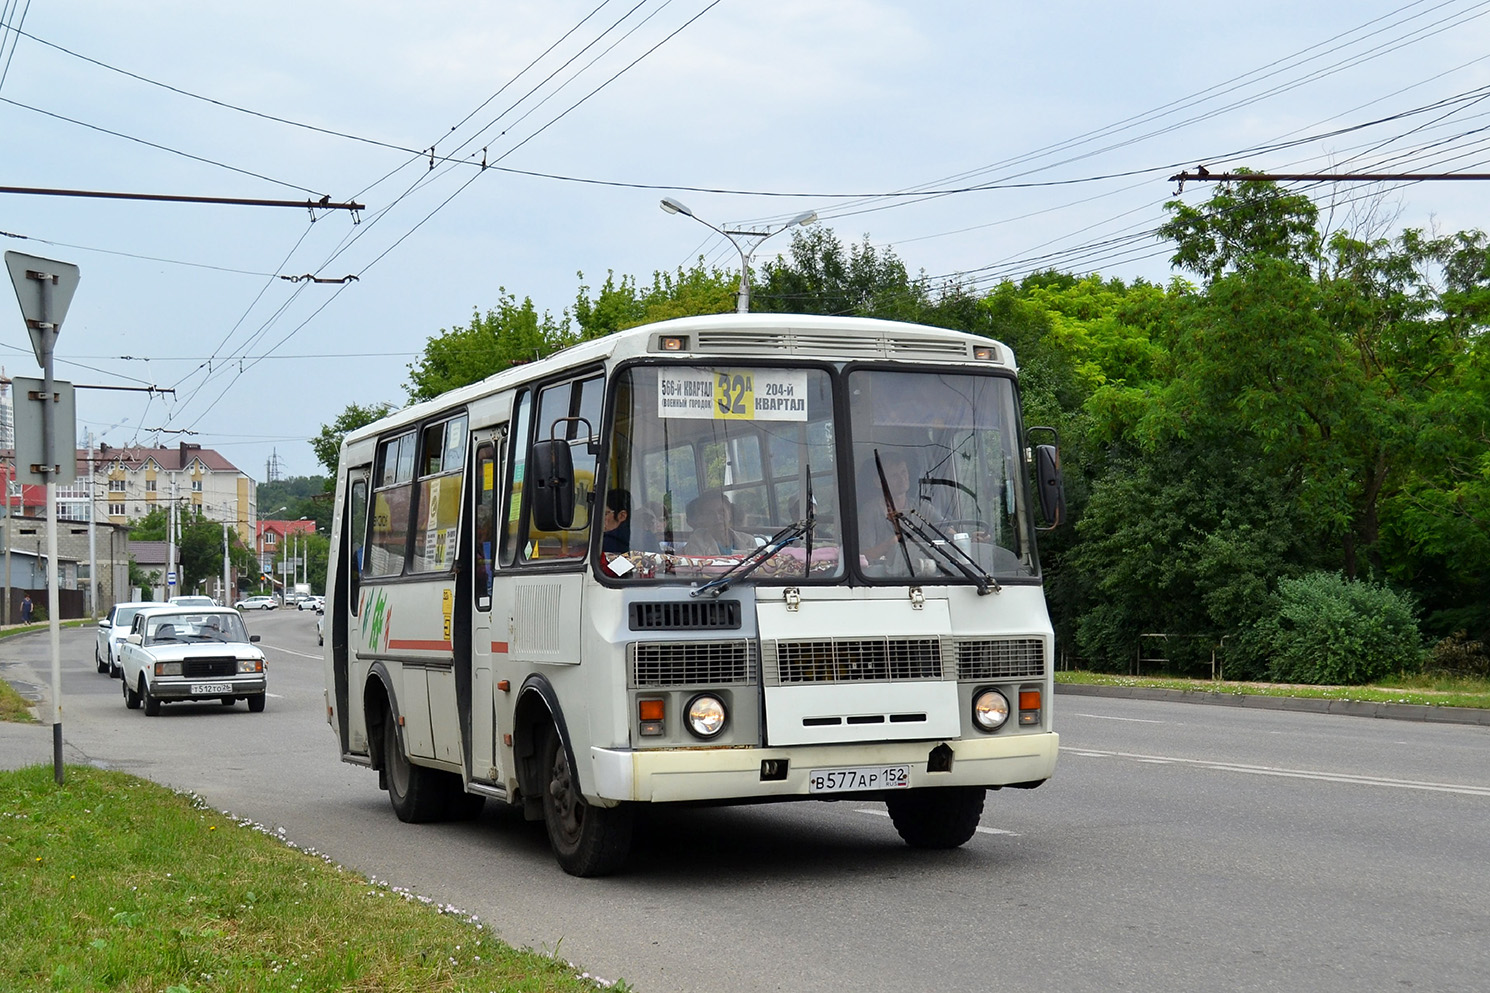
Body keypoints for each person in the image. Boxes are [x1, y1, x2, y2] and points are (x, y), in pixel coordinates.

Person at [859, 450, 913, 564]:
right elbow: (864, 556)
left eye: (903, 472)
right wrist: (890, 544)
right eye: (894, 475)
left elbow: (949, 531)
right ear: (879, 482)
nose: (902, 478)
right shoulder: (869, 512)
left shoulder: (921, 507)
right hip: (882, 577)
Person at [683, 489, 756, 556]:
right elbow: (697, 568)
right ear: (703, 518)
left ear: (730, 513)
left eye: (722, 512)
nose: (717, 517)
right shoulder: (697, 542)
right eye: (710, 514)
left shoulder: (749, 541)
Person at [601, 488, 632, 555]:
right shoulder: (649, 537)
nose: (600, 518)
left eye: (605, 513)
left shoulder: (605, 543)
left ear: (622, 516)